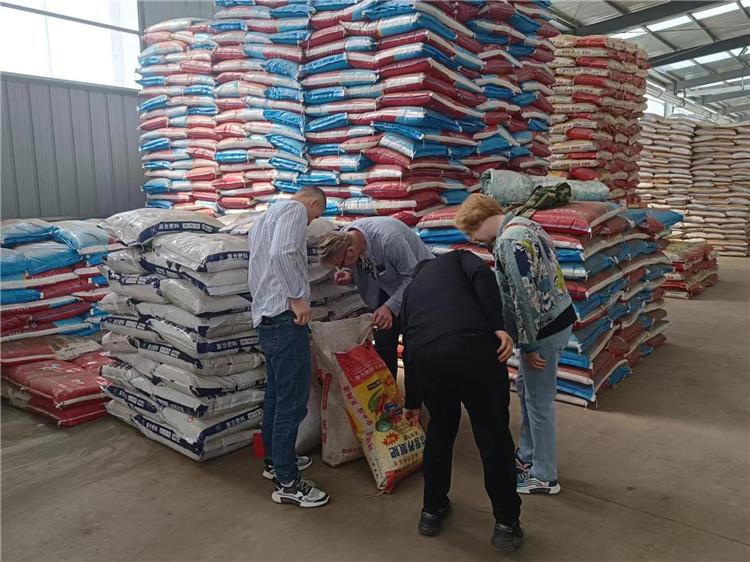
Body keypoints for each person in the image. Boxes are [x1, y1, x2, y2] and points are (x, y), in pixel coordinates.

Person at [400, 250, 523, 551]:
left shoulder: (411, 290)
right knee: (492, 435)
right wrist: (498, 326)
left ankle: (432, 511)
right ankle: (506, 524)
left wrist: (412, 402)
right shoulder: (458, 258)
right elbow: (483, 275)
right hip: (473, 347)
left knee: (440, 432)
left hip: (428, 358)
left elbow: (410, 346)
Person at [455, 194, 576, 496]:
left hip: (543, 329)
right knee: (527, 389)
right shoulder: (524, 224)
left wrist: (529, 346)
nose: (474, 240)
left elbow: (524, 298)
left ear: (480, 220)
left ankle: (545, 476)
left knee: (538, 402)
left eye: (472, 233)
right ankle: (528, 455)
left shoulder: (509, 242)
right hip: (559, 317)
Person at [248, 187, 330, 508]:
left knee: (276, 395)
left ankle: (274, 461)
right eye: (315, 216)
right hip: (284, 317)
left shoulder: (265, 217)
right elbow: (283, 254)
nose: (310, 222)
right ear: (313, 202)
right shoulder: (294, 211)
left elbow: (262, 263)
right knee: (292, 402)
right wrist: (297, 298)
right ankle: (287, 482)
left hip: (266, 317)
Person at [317, 217, 433, 378]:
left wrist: (390, 306)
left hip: (419, 287)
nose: (340, 268)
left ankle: (416, 391)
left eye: (341, 264)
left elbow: (413, 277)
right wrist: (348, 273)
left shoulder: (390, 240)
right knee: (384, 343)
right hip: (386, 286)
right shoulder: (346, 236)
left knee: (415, 347)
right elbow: (357, 263)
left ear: (350, 252)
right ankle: (390, 390)